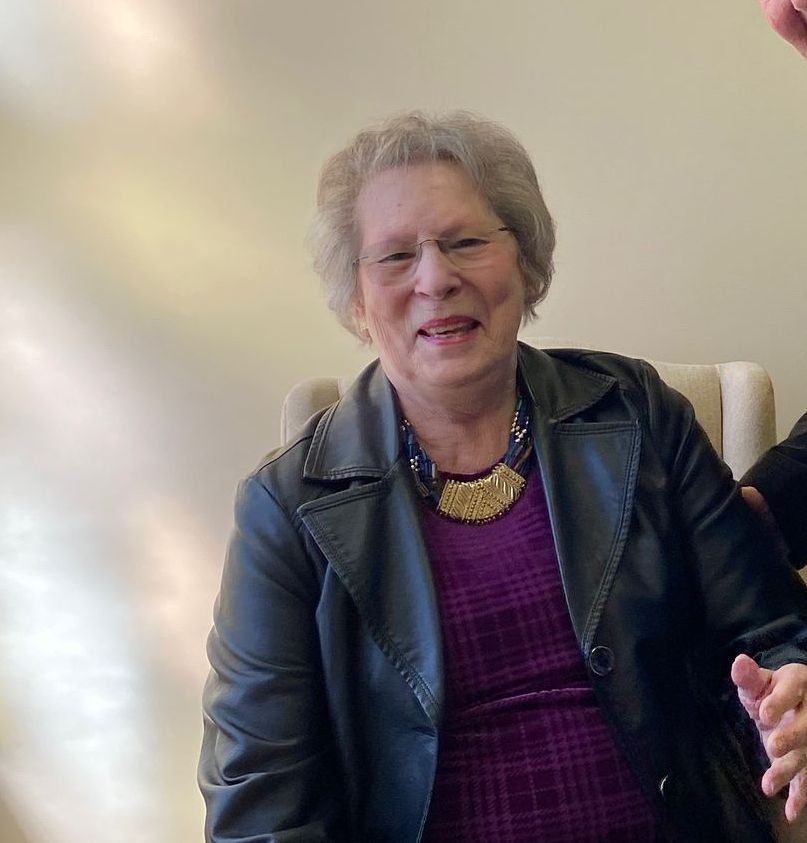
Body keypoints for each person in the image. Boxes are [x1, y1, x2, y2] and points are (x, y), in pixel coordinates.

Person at [198, 112, 807, 842]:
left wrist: (788, 688)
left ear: (524, 262)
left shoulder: (638, 413)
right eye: (395, 256)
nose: (435, 279)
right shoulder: (285, 507)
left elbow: (771, 626)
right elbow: (261, 797)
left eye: (465, 242)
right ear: (357, 302)